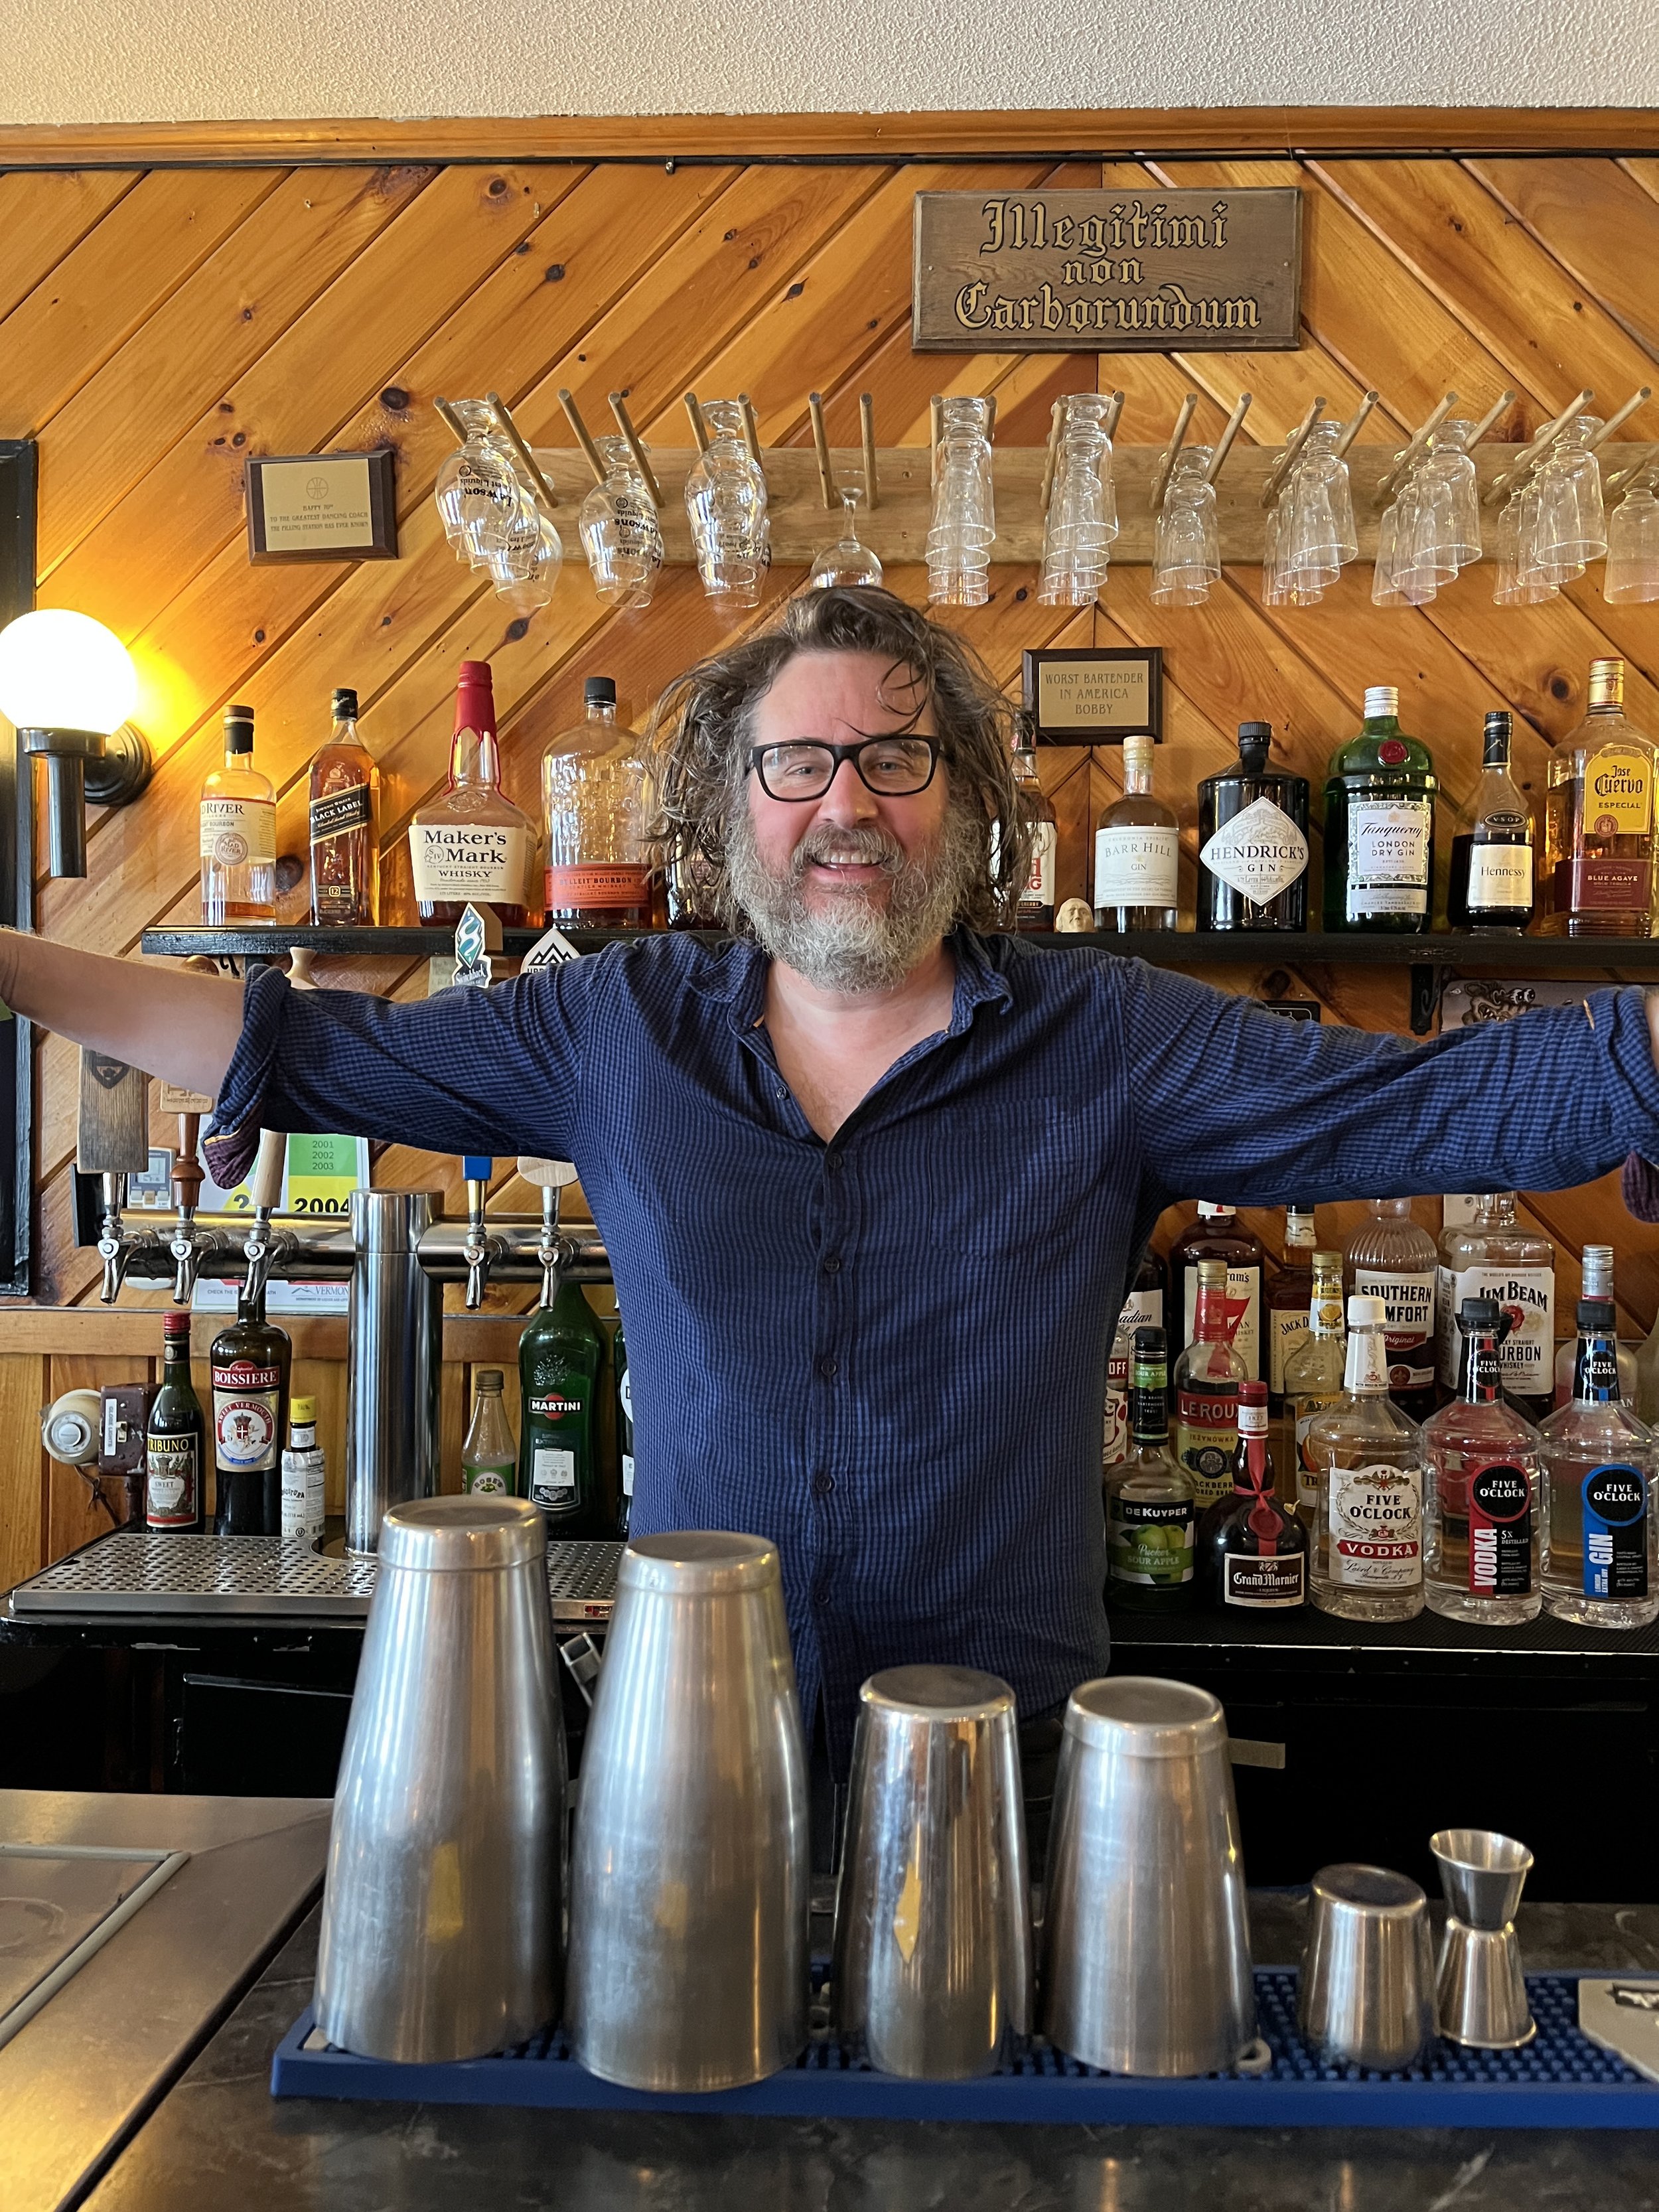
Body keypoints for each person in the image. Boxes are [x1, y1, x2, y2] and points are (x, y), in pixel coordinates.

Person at [7, 585, 1659, 1806]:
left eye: (892, 757)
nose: (845, 802)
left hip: (999, 1754)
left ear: (966, 805)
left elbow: (1435, 1095)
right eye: (796, 764)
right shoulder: (615, 1025)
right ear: (731, 815)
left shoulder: (1109, 1038)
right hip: (687, 1741)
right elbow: (301, 1045)